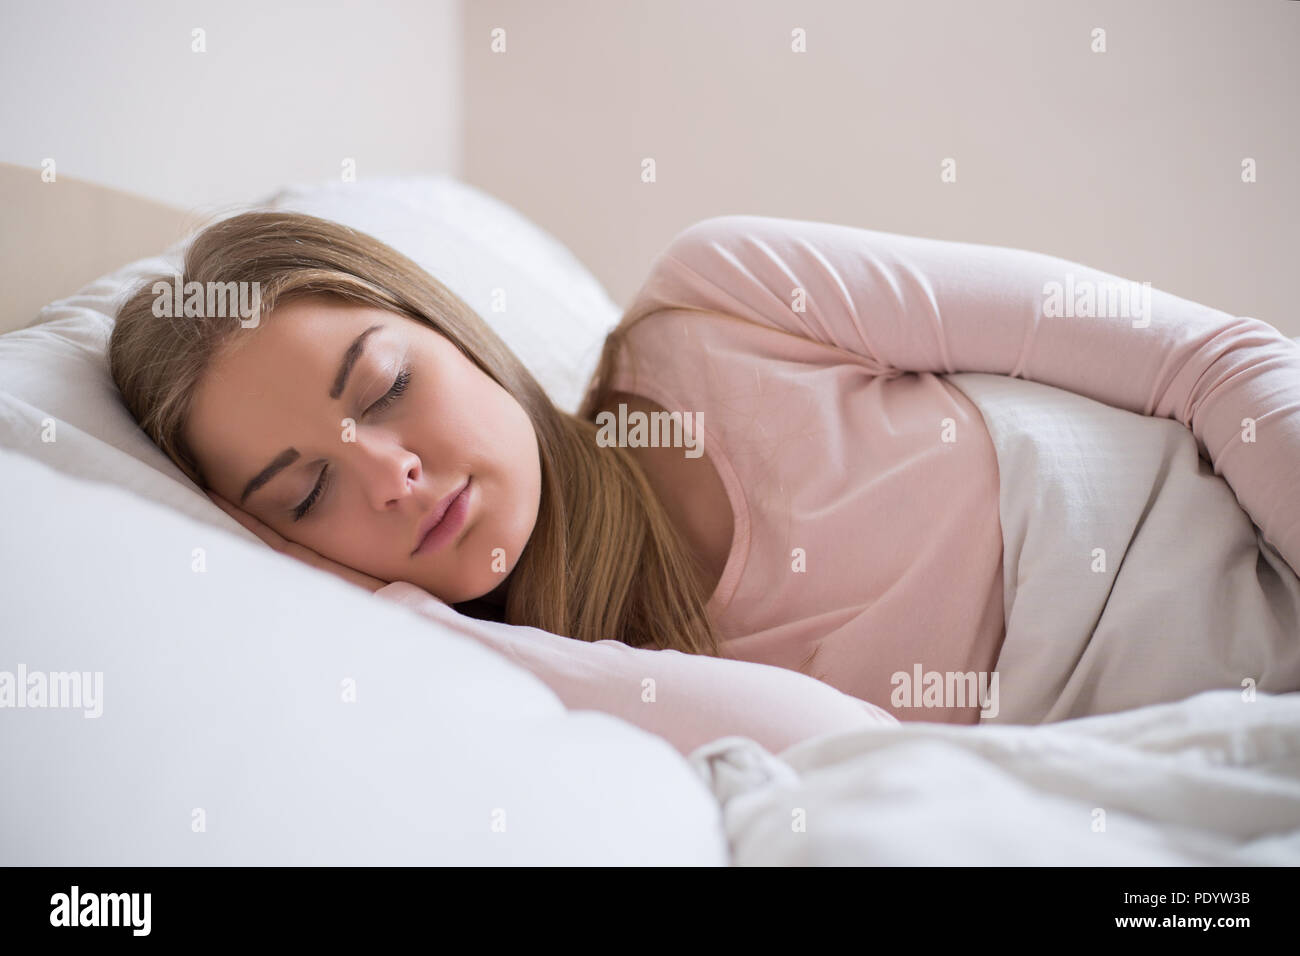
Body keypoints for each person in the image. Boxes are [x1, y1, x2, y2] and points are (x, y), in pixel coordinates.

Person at [109, 211, 1300, 731]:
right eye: (306, 492)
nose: (391, 475)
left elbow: (1213, 357)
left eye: (381, 388)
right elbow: (868, 765)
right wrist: (422, 621)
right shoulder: (568, 694)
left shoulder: (725, 300)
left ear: (458, 332)